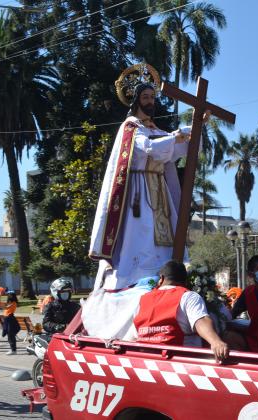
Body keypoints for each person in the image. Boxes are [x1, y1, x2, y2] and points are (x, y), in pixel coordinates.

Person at [89, 64, 209, 291]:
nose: (150, 101)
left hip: (159, 190)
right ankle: (134, 278)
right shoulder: (131, 127)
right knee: (141, 233)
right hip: (136, 191)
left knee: (165, 235)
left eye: (152, 96)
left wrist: (196, 126)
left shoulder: (155, 130)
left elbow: (178, 149)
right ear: (136, 101)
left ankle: (168, 276)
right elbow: (149, 148)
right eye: (145, 96)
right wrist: (179, 136)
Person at [131, 261, 229, 361]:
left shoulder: (142, 299)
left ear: (162, 279)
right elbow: (200, 320)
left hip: (145, 361)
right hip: (180, 363)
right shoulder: (189, 296)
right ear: (185, 281)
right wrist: (215, 342)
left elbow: (135, 334)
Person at [1, 291, 20, 355]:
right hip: (7, 319)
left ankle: (13, 350)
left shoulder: (13, 303)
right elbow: (0, 304)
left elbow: (5, 307)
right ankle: (13, 349)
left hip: (10, 319)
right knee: (9, 335)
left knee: (10, 335)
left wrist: (0, 304)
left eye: (10, 295)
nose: (9, 296)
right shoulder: (9, 303)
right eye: (9, 295)